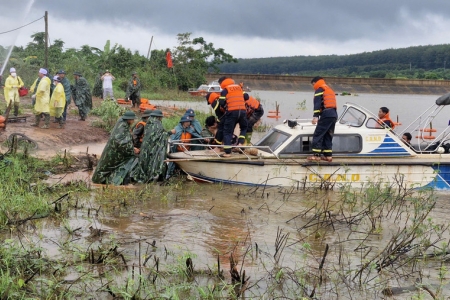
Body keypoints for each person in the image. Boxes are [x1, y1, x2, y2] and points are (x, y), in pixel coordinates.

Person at [92, 111, 140, 185]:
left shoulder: (122, 124)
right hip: (114, 152)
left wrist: (131, 147)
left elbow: (124, 141)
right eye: (132, 119)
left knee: (107, 166)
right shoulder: (123, 126)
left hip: (114, 150)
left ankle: (103, 180)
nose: (133, 121)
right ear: (129, 119)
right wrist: (132, 149)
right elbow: (121, 142)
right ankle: (109, 181)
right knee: (108, 166)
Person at [131, 110, 168, 182]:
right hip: (141, 146)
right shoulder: (142, 124)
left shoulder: (148, 124)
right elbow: (135, 135)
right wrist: (137, 146)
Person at [307, 76, 338, 162]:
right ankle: (328, 156)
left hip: (326, 114)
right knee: (328, 135)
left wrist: (315, 117)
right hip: (334, 114)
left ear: (315, 82)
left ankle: (316, 156)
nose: (313, 86)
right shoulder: (329, 89)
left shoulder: (319, 90)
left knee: (318, 133)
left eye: (313, 84)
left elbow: (317, 104)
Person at [218, 76, 248, 157]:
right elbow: (246, 97)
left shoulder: (225, 90)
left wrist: (226, 105)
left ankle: (228, 152)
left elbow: (221, 102)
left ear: (222, 83)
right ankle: (240, 143)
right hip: (242, 111)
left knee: (227, 132)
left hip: (232, 112)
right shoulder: (239, 87)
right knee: (244, 127)